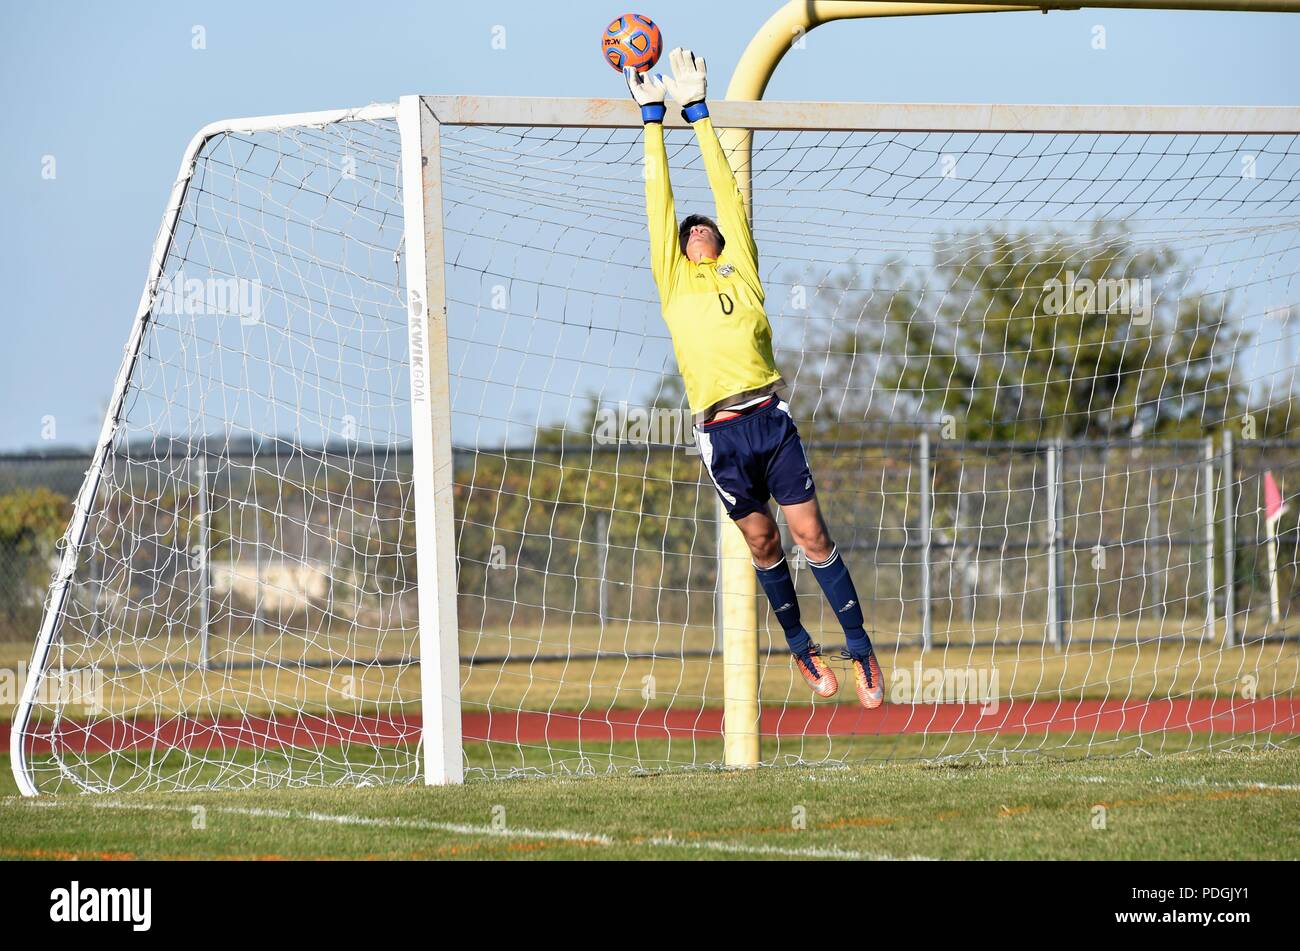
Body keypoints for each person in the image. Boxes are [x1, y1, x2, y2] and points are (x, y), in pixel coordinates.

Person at [625, 48, 884, 708]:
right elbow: (663, 204)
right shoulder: (675, 279)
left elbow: (722, 192)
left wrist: (698, 114)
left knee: (812, 535)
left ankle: (860, 648)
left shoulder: (742, 264)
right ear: (682, 248)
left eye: (708, 225)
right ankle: (801, 647)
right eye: (692, 230)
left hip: (769, 416)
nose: (701, 227)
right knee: (763, 540)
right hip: (721, 432)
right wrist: (653, 121)